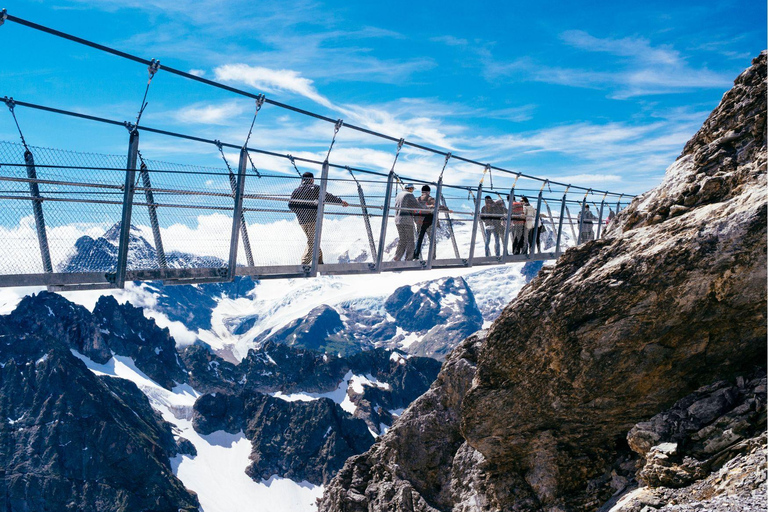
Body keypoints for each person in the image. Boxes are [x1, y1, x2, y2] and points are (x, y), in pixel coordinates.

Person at [288, 171, 348, 265]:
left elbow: (291, 205)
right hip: (313, 219)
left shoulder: (296, 191)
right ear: (312, 180)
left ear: (302, 180)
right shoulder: (315, 188)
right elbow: (327, 196)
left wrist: (300, 212)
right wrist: (340, 202)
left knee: (313, 240)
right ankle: (304, 263)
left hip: (302, 221)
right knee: (313, 241)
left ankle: (319, 262)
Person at [393, 183, 420, 261]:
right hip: (406, 220)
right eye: (412, 189)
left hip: (398, 220)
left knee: (402, 239)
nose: (412, 191)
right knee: (410, 240)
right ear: (410, 188)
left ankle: (397, 257)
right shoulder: (409, 195)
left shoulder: (399, 195)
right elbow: (417, 206)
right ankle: (409, 258)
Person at [413, 185, 436, 260]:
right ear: (429, 192)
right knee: (432, 239)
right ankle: (432, 257)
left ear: (421, 191)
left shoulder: (417, 199)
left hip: (419, 221)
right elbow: (436, 207)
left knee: (419, 239)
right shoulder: (430, 199)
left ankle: (416, 255)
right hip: (429, 221)